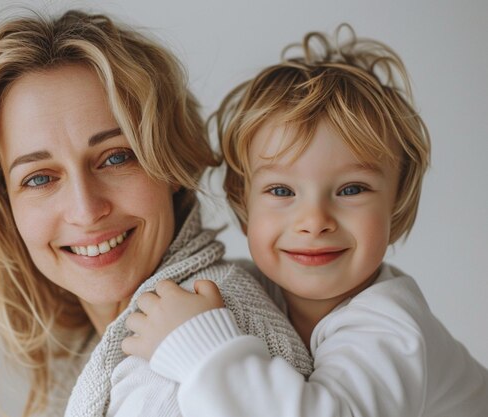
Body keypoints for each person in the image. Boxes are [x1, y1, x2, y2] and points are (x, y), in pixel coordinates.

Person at [0, 9, 313, 417]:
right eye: (40, 178)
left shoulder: (199, 344)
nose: (86, 210)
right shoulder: (105, 351)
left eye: (116, 157)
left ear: (172, 165)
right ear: (6, 205)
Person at [122, 25, 488, 416]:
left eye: (351, 190)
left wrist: (197, 348)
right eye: (282, 191)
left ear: (397, 204)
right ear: (242, 204)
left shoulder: (390, 328)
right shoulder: (249, 292)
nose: (315, 221)